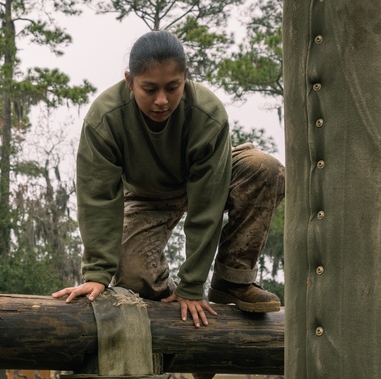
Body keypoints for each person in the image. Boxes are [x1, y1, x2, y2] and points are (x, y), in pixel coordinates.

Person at [52, 30, 285, 330]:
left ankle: (233, 280)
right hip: (147, 196)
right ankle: (178, 313)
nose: (161, 100)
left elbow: (207, 206)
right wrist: (97, 273)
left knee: (263, 168)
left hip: (209, 180)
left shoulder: (208, 113)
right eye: (149, 89)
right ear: (129, 81)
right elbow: (98, 199)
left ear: (185, 78)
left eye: (172, 87)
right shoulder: (104, 119)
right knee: (133, 275)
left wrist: (193, 284)